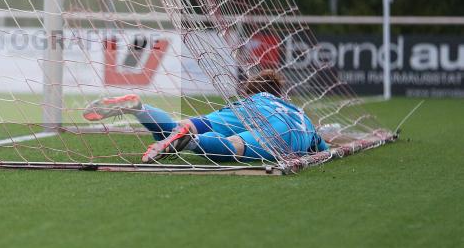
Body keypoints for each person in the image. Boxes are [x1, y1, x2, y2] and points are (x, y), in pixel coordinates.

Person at [83, 69, 328, 163]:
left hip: (247, 111)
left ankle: (138, 107)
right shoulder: (299, 114)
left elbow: (194, 123)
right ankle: (190, 142)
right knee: (236, 146)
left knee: (183, 127)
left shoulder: (250, 101)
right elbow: (322, 149)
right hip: (285, 131)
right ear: (280, 94)